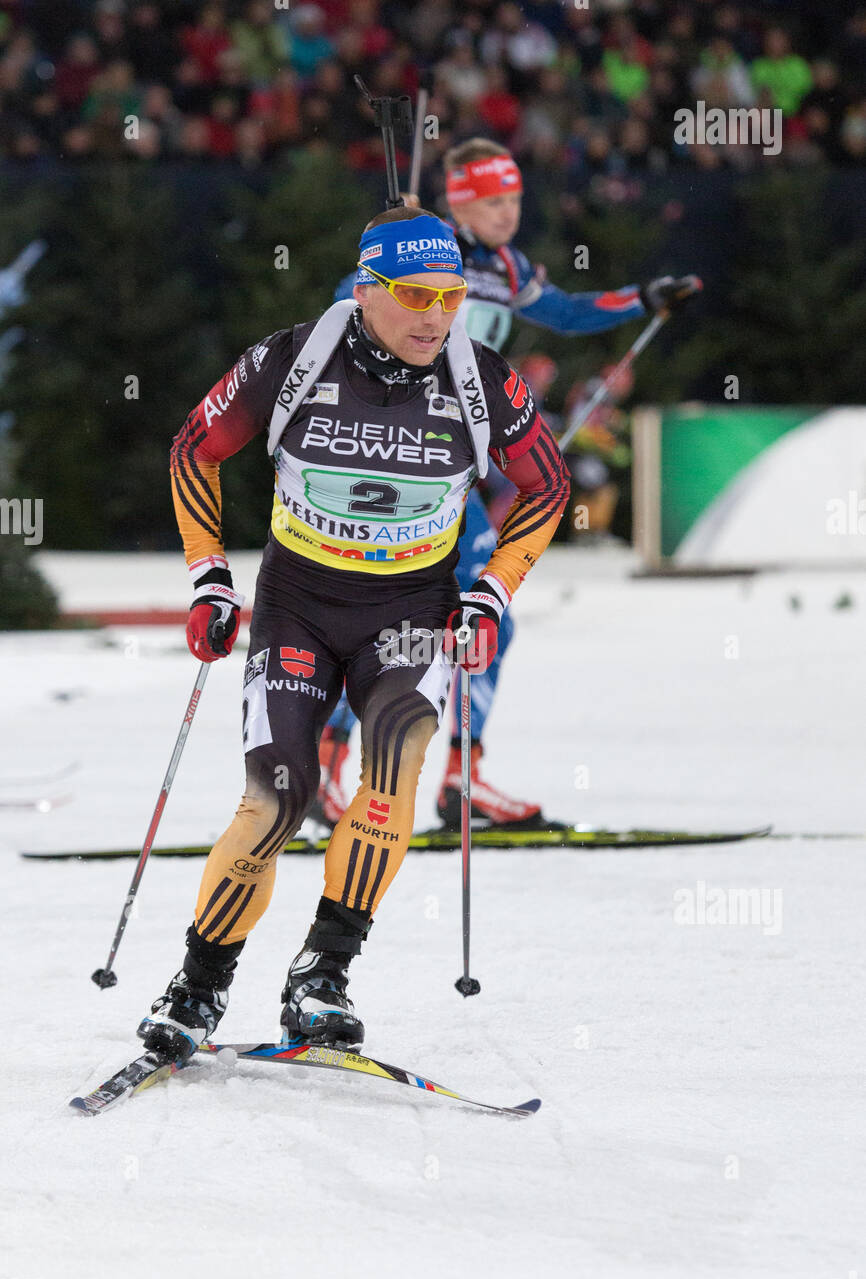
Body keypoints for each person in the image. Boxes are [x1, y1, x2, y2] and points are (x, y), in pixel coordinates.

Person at [136, 206, 570, 1061]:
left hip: (410, 613)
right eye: (413, 294)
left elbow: (547, 488)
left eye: (450, 296)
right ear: (367, 289)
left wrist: (490, 596)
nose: (435, 315)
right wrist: (209, 578)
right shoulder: (294, 356)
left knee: (388, 781)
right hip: (298, 604)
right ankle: (200, 981)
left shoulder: (480, 376)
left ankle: (322, 975)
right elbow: (196, 447)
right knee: (276, 799)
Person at [318, 138, 698, 829]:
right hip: (398, 460)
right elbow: (350, 306)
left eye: (516, 198)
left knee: (482, 619)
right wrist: (387, 245)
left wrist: (640, 300)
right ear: (459, 198)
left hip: (452, 470)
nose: (508, 212)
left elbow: (564, 311)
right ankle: (335, 769)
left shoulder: (503, 264)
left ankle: (455, 776)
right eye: (493, 200)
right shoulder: (426, 252)